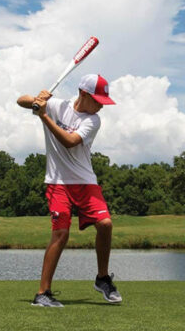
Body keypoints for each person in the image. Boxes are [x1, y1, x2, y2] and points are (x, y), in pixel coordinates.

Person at [17, 74, 122, 307]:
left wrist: (43, 115)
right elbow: (20, 100)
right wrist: (37, 101)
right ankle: (43, 293)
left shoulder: (93, 121)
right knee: (61, 234)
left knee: (105, 224)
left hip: (85, 181)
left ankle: (102, 278)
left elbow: (70, 141)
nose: (101, 106)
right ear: (83, 94)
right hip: (57, 182)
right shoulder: (58, 105)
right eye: (97, 100)